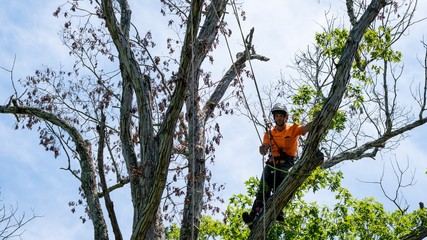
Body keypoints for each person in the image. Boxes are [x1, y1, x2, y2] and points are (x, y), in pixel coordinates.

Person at [242, 103, 312, 228]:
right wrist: (263, 150)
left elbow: (306, 128)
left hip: (286, 164)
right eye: (277, 116)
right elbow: (265, 146)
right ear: (274, 118)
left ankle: (279, 211)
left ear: (285, 118)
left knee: (283, 183)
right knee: (263, 190)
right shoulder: (269, 133)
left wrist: (316, 118)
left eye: (281, 116)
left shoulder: (292, 129)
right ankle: (253, 218)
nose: (279, 118)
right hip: (272, 164)